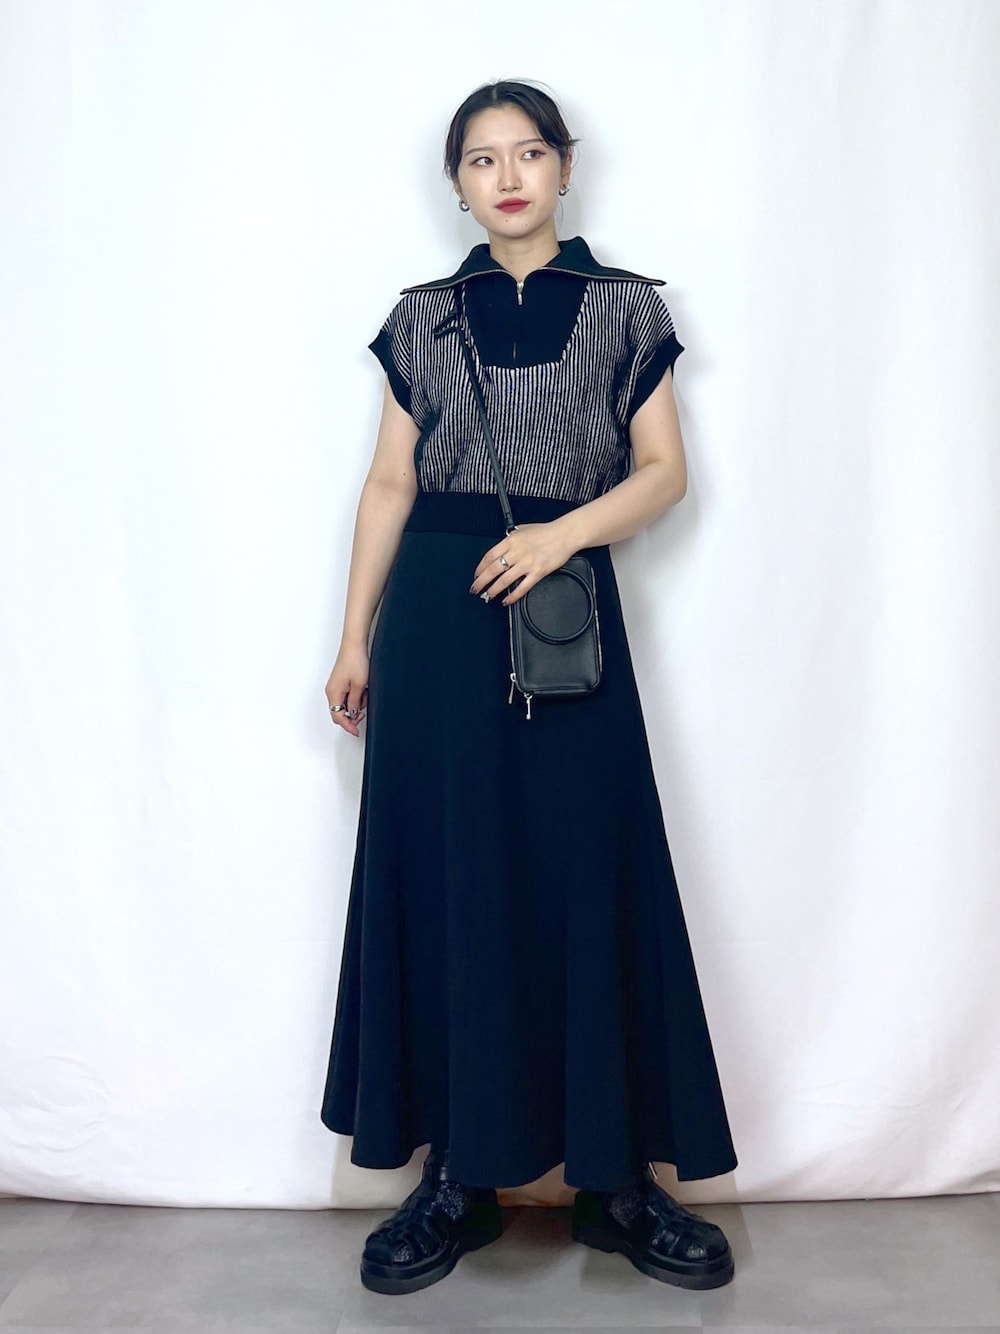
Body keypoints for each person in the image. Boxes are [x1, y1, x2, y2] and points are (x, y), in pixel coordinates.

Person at [320, 78, 738, 1297]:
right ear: (456, 183)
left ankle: (616, 1178)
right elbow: (389, 484)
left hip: (562, 618)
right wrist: (352, 637)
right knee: (452, 877)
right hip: (435, 630)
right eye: (481, 158)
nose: (506, 176)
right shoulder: (421, 317)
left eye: (528, 153)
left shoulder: (625, 307)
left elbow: (663, 471)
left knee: (588, 869)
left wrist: (560, 536)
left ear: (564, 166)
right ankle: (457, 1175)